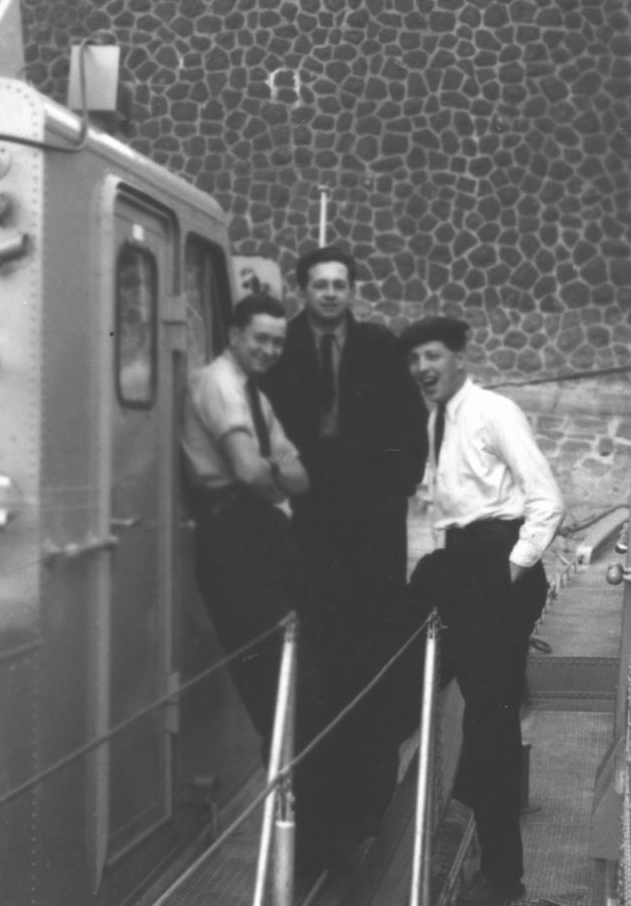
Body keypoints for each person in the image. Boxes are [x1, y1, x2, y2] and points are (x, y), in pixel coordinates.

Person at [388, 315, 565, 906]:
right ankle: (407, 796)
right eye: (415, 360)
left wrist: (509, 572)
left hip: (497, 563)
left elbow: (547, 500)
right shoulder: (436, 419)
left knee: (490, 721)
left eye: (433, 356)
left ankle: (503, 877)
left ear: (459, 357)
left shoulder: (493, 411)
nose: (422, 368)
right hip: (458, 561)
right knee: (397, 665)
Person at [259, 245, 428, 830]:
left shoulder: (379, 346)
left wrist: (393, 489)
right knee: (314, 657)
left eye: (339, 284)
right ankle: (313, 801)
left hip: (372, 530)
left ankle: (370, 800)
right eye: (320, 284)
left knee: (371, 651)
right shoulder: (280, 348)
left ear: (351, 290)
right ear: (302, 290)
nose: (330, 293)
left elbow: (411, 425)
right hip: (307, 526)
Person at [181, 292, 339, 875]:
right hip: (233, 537)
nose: (270, 349)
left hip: (267, 532)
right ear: (234, 335)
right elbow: (252, 472)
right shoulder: (217, 384)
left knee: (310, 676)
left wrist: (266, 473)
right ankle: (301, 848)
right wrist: (270, 473)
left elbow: (300, 479)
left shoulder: (257, 396)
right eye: (261, 339)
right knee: (279, 688)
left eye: (277, 341)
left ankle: (312, 838)